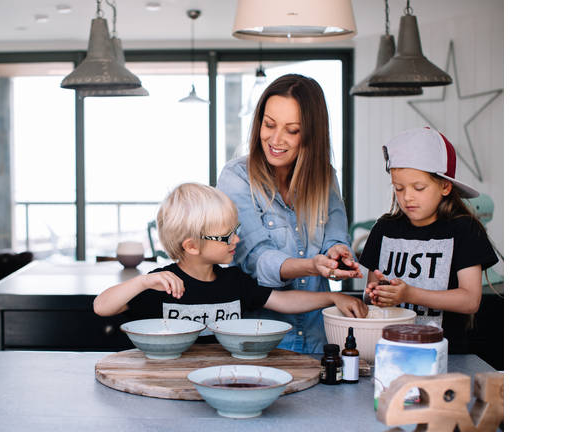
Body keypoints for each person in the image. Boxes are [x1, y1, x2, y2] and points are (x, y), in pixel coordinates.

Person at [93, 182, 368, 344]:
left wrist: (333, 297)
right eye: (227, 236)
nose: (237, 238)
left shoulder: (233, 281)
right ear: (191, 246)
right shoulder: (161, 284)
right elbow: (101, 307)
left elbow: (284, 302)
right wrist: (142, 281)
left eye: (234, 229)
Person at [216, 74, 362, 354]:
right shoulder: (236, 178)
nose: (275, 138)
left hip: (319, 341)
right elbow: (255, 260)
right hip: (259, 343)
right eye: (268, 124)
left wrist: (339, 256)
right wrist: (312, 265)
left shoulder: (325, 177)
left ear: (311, 134)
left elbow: (334, 239)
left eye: (291, 130)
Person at [359, 127, 498, 354]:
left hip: (446, 357)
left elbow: (470, 300)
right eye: (399, 188)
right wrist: (378, 294)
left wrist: (410, 294)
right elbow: (370, 296)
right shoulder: (384, 229)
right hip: (389, 352)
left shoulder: (464, 230)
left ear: (445, 186)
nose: (407, 197)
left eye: (419, 188)